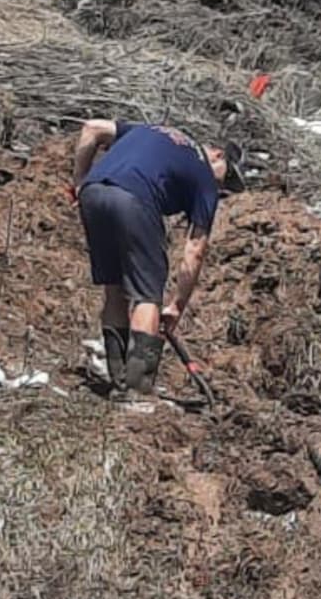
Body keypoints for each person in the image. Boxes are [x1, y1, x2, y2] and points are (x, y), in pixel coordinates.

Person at [72, 119, 243, 395]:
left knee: (115, 287)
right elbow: (195, 250)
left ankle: (117, 381)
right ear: (217, 155)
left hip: (93, 193)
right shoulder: (204, 177)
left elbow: (92, 128)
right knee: (147, 296)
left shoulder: (151, 130)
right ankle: (137, 390)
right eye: (227, 178)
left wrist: (80, 180)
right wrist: (176, 305)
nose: (222, 187)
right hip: (135, 200)